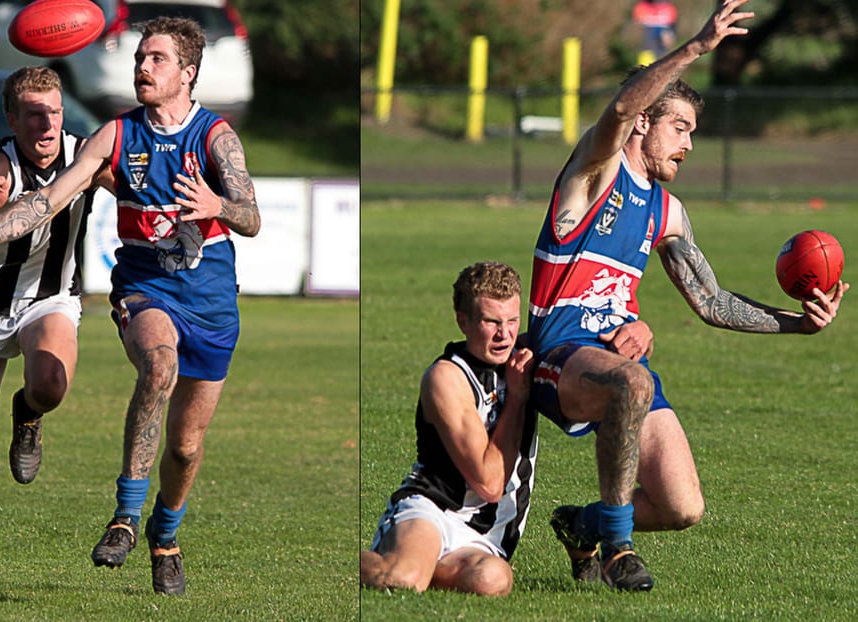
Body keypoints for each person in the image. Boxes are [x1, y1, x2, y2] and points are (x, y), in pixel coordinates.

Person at [0, 16, 261, 596]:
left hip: (211, 299)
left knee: (186, 448)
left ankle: (165, 536)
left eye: (156, 59)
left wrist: (218, 202)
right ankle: (124, 519)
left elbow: (251, 218)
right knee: (157, 366)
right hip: (146, 289)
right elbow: (45, 200)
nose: (142, 66)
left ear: (188, 73)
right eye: (140, 57)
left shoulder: (216, 138)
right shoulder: (114, 136)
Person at [526, 0, 844, 592]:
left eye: (694, 133)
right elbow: (621, 105)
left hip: (621, 358)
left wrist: (798, 325)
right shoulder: (593, 172)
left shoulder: (669, 213)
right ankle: (617, 552)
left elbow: (712, 301)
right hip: (557, 353)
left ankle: (581, 525)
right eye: (680, 128)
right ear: (645, 123)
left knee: (682, 508)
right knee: (634, 382)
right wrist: (696, 47)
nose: (689, 146)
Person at [0, 66, 109, 586]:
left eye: (54, 111)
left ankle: (28, 412)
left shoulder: (86, 154)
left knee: (49, 385)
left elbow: (130, 186)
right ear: (12, 118)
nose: (47, 123)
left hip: (50, 298)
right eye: (34, 114)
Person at [361, 262, 537, 597]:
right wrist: (517, 399)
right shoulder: (446, 377)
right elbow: (488, 483)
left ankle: (424, 565)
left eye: (512, 321)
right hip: (433, 508)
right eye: (490, 322)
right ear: (464, 321)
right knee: (402, 580)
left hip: (483, 533)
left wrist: (636, 333)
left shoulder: (527, 359)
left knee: (493, 581)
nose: (504, 335)